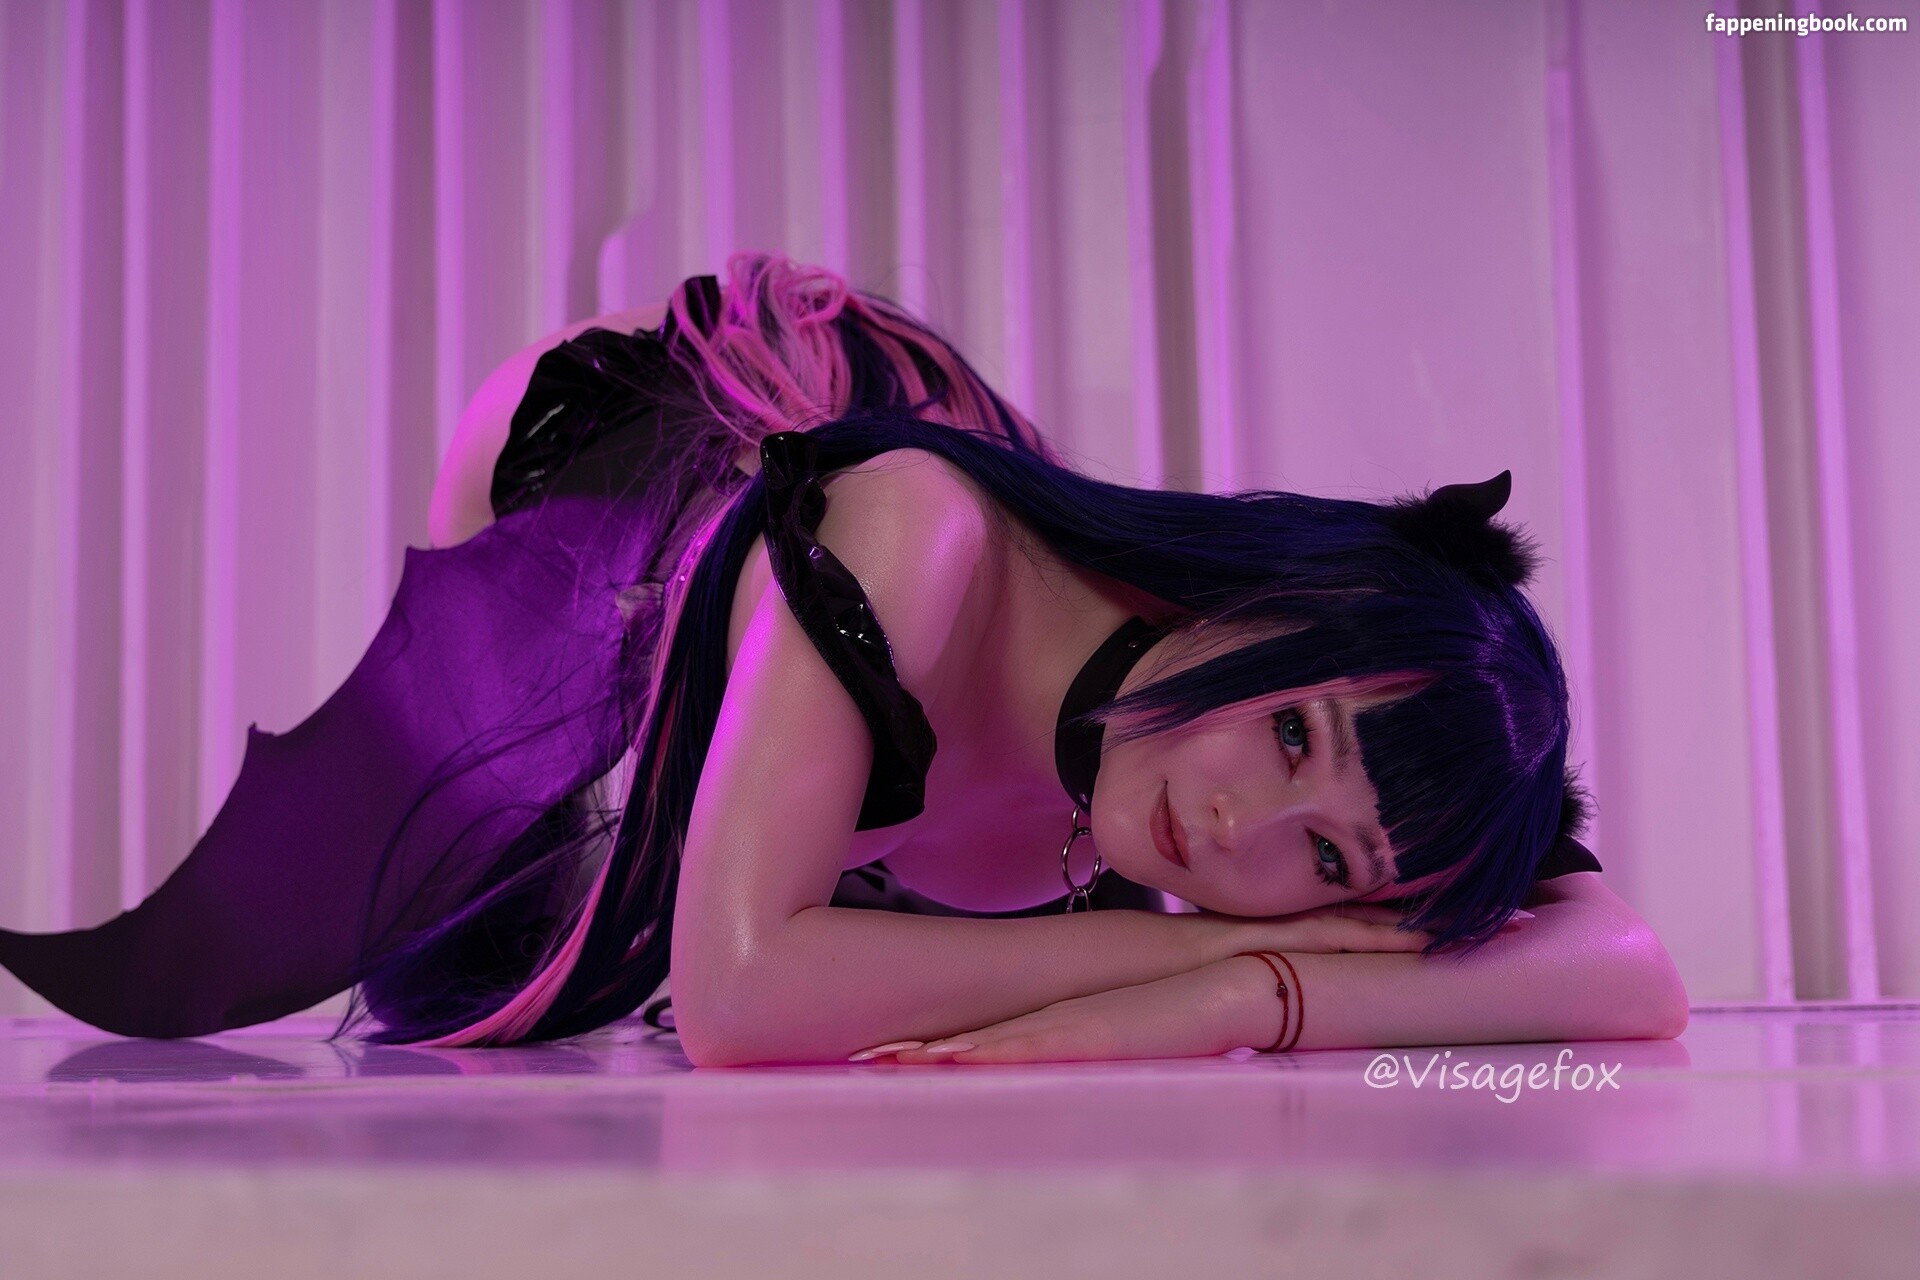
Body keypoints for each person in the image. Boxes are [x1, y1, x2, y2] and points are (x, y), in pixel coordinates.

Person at [0, 252, 1688, 1065]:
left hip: (857, 613)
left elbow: (1631, 972)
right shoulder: (927, 539)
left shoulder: (1190, 816)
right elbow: (743, 1001)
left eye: (1328, 864)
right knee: (468, 921)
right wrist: (1215, 965)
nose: (1245, 830)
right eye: (1297, 733)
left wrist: (1252, 987)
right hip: (621, 475)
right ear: (1276, 602)